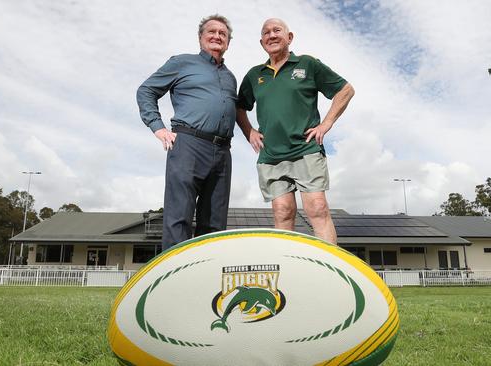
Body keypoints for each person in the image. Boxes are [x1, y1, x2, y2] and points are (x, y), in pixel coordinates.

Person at [236, 18, 355, 245]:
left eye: (277, 30)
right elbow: (239, 107)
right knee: (282, 211)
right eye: (266, 33)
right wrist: (249, 130)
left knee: (317, 208)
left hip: (306, 149)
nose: (272, 35)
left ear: (289, 37)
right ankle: (287, 269)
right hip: (271, 155)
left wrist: (326, 123)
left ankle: (330, 270)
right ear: (262, 42)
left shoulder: (307, 64)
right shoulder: (254, 75)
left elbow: (345, 90)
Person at [137, 15, 237, 250]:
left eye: (223, 34)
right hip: (189, 144)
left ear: (228, 42)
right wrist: (157, 127)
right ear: (201, 38)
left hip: (223, 151)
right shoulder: (182, 63)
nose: (217, 36)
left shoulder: (230, 77)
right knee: (179, 216)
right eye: (211, 32)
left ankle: (206, 279)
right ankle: (175, 282)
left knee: (215, 223)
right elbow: (146, 90)